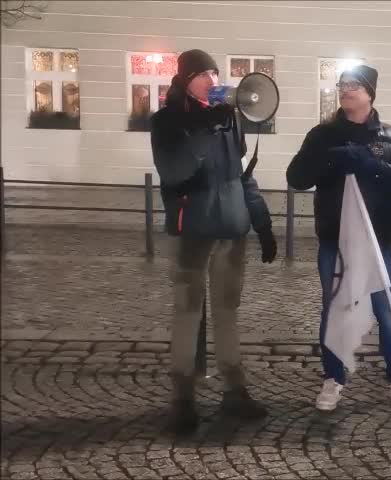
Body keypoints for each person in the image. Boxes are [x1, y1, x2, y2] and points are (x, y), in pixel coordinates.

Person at [150, 49, 277, 434]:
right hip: (193, 230)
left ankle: (235, 391)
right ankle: (182, 398)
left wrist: (262, 222)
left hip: (231, 230)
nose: (213, 79)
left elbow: (239, 174)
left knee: (227, 312)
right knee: (187, 314)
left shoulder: (228, 118)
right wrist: (205, 130)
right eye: (204, 73)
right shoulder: (168, 120)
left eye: (215, 72)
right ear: (187, 78)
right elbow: (174, 172)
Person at [286, 65, 391, 412]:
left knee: (388, 312)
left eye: (354, 85)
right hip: (336, 242)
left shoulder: (390, 137)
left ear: (370, 93)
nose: (345, 89)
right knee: (335, 308)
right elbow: (297, 177)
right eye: (343, 84)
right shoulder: (322, 134)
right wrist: (329, 163)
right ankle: (333, 377)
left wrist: (372, 166)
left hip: (377, 242)